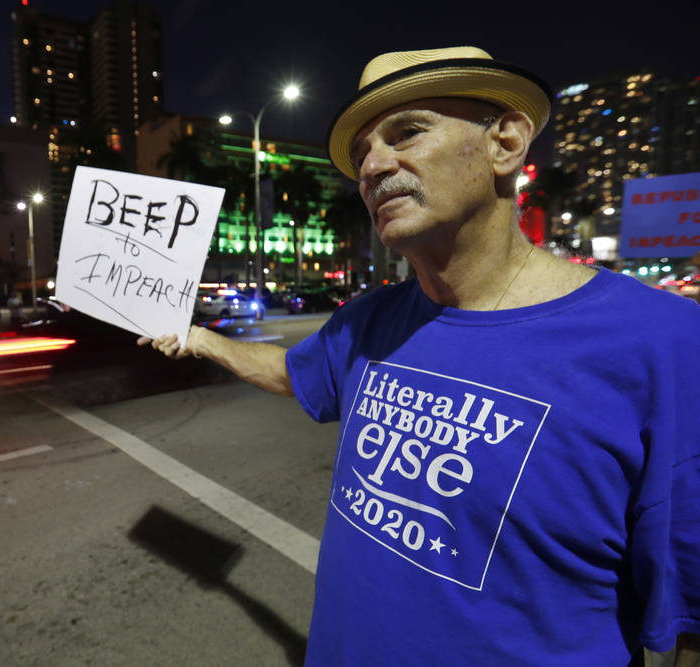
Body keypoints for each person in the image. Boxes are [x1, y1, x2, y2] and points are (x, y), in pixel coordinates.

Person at [139, 46, 700, 665]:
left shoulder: (664, 343)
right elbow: (290, 373)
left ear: (506, 143)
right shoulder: (372, 319)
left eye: (407, 131)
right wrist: (200, 338)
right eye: (361, 155)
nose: (374, 166)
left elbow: (688, 617)